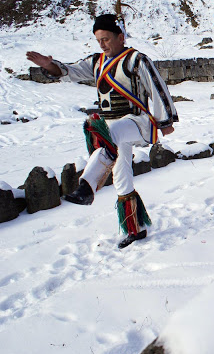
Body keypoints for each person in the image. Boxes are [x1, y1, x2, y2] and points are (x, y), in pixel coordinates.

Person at [26, 14, 178, 248]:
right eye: (99, 40)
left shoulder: (136, 60)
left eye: (106, 39)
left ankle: (87, 187)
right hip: (113, 128)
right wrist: (49, 65)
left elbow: (156, 85)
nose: (102, 44)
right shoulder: (96, 62)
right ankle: (134, 229)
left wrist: (165, 121)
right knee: (121, 176)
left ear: (120, 37)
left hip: (136, 122)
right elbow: (70, 71)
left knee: (106, 130)